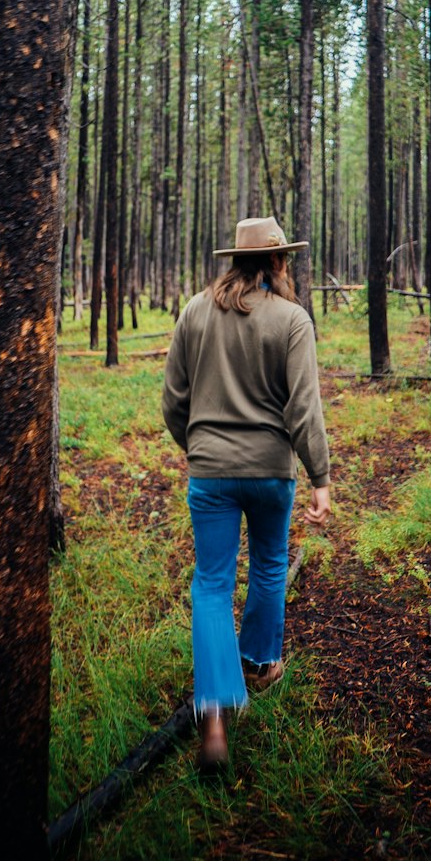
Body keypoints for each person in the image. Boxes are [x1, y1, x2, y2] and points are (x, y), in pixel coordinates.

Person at [162, 215, 331, 774]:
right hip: (270, 473)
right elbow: (303, 410)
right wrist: (321, 478)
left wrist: (199, 444)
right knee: (268, 565)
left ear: (235, 259)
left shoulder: (194, 311)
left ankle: (212, 718)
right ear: (279, 262)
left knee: (211, 584)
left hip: (209, 472)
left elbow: (172, 401)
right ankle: (259, 663)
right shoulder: (292, 320)